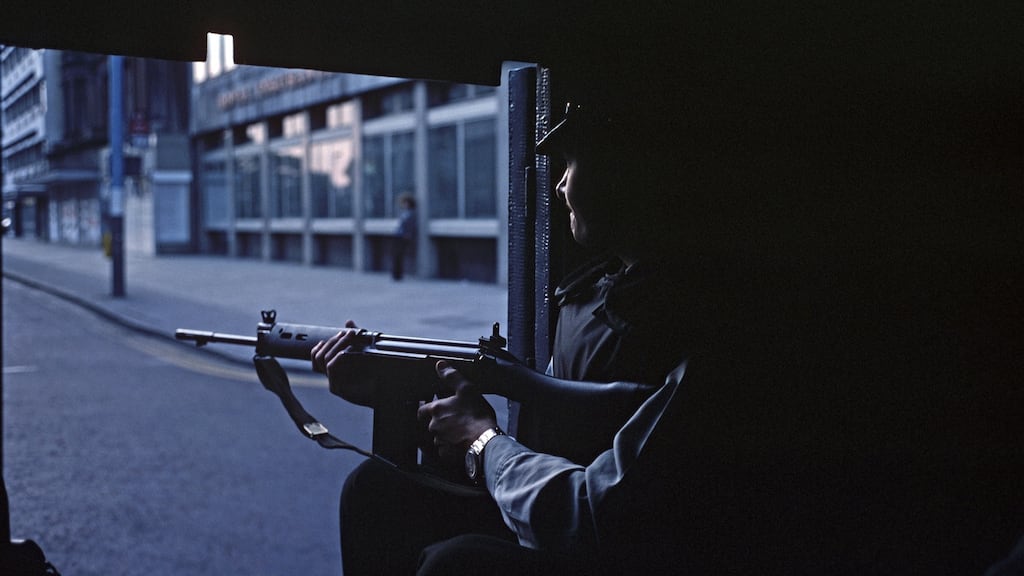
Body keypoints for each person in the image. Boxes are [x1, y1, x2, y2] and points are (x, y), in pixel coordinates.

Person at [312, 90, 709, 575]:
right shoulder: (609, 292)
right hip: (572, 512)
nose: (560, 186)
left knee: (455, 565)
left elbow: (589, 514)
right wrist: (395, 395)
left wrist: (481, 440)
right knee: (375, 488)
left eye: (573, 164)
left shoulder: (688, 318)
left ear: (622, 174)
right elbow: (551, 430)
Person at [391, 194, 417, 280]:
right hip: (398, 235)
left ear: (409, 203)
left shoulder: (411, 214)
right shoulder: (403, 213)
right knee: (396, 255)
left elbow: (411, 226)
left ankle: (398, 274)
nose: (404, 205)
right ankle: (396, 274)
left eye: (405, 203)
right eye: (403, 203)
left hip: (404, 237)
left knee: (399, 255)